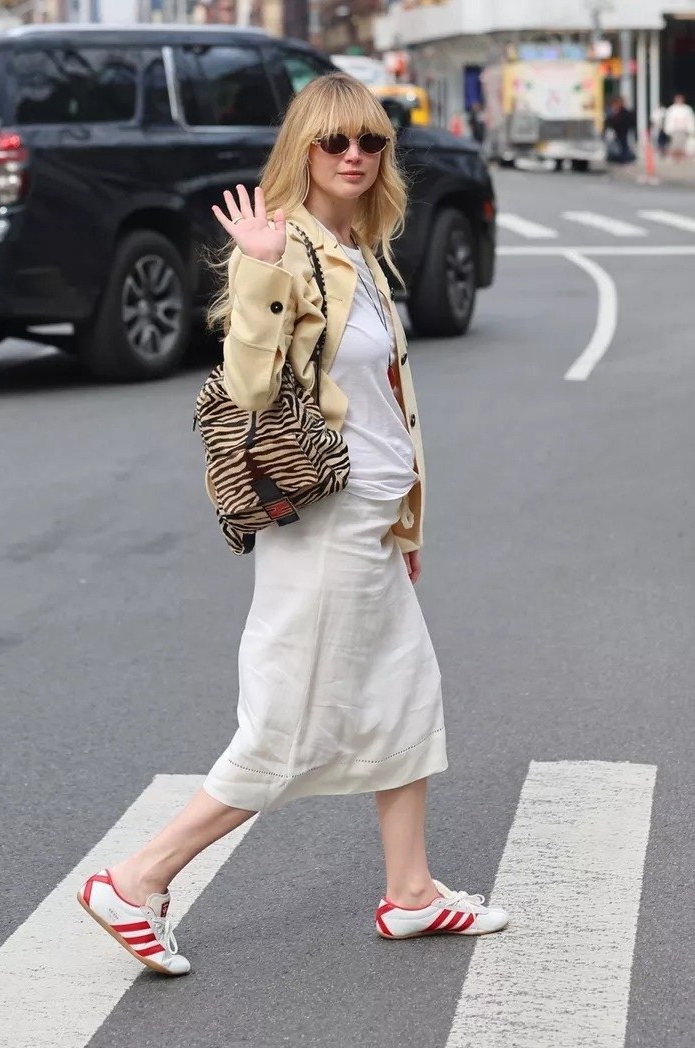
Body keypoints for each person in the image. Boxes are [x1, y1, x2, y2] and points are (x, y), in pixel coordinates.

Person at [76, 73, 509, 977]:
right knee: (287, 728)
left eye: (371, 141)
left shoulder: (361, 249)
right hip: (325, 527)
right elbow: (249, 388)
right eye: (333, 141)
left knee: (404, 697)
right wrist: (264, 271)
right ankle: (136, 879)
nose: (354, 155)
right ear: (303, 150)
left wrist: (405, 527)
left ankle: (411, 893)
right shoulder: (282, 249)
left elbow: (387, 408)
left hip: (371, 523)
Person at [663, 93, 695, 162]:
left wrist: (691, 129)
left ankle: (682, 158)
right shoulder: (671, 109)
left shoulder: (687, 109)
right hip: (675, 130)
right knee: (675, 145)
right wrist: (669, 130)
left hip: (684, 130)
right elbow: (669, 120)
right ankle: (675, 158)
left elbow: (691, 119)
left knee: (684, 145)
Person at [604, 96, 636, 164]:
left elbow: (614, 122)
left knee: (623, 146)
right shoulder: (616, 112)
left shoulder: (622, 112)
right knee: (622, 146)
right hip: (619, 132)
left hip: (622, 132)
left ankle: (624, 157)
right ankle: (623, 157)